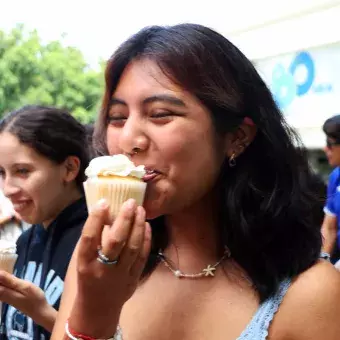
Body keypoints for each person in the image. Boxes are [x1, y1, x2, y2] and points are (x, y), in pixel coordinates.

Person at [52, 24, 340, 340]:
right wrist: (93, 317)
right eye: (117, 118)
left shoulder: (311, 293)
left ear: (237, 137)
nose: (129, 140)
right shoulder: (100, 263)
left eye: (160, 114)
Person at [0, 106, 89, 339]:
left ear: (69, 169)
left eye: (22, 171)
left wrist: (41, 312)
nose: (7, 189)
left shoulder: (97, 241)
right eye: (1, 173)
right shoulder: (26, 240)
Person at [321, 115, 340, 263]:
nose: (325, 148)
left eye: (329, 143)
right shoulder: (335, 177)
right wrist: (323, 261)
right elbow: (329, 227)